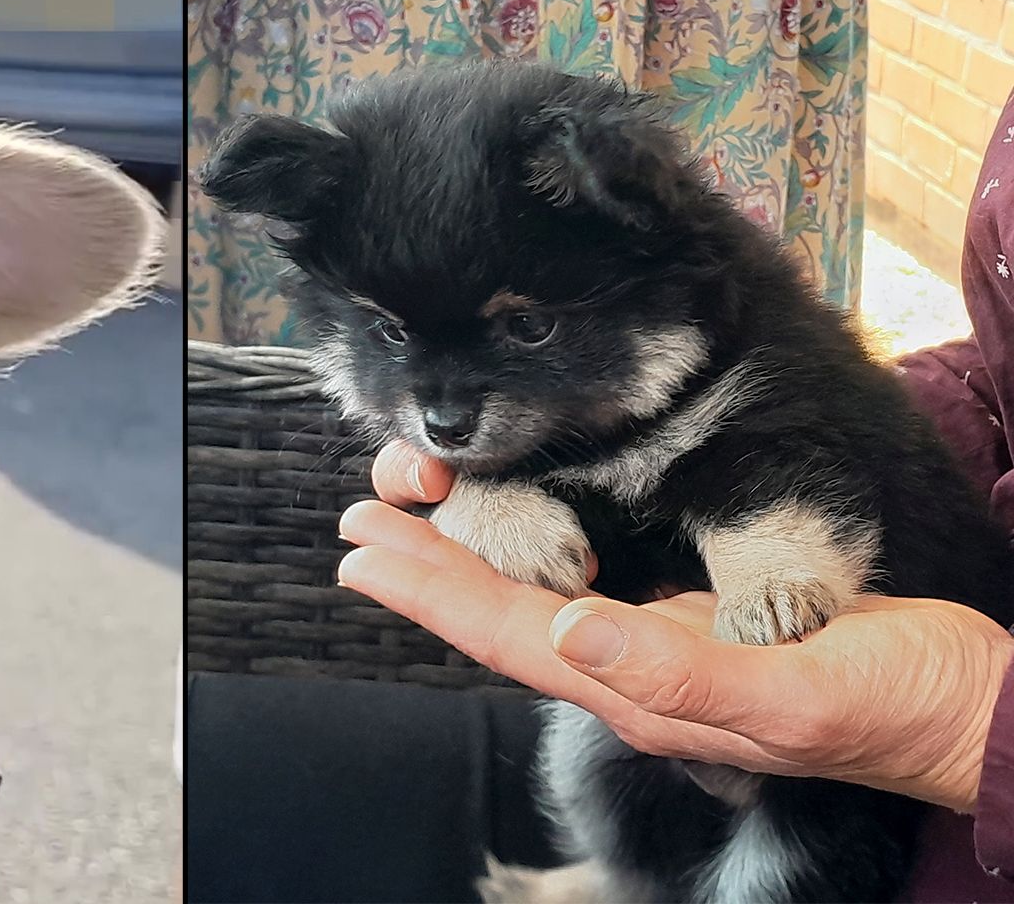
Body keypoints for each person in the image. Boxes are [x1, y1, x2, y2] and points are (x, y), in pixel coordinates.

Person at [185, 74, 1014, 904]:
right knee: (206, 751)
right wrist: (471, 502)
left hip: (897, 787)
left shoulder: (742, 348)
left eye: (527, 326)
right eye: (393, 334)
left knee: (790, 861)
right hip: (651, 708)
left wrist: (962, 725)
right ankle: (622, 882)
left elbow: (776, 451)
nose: (442, 406)